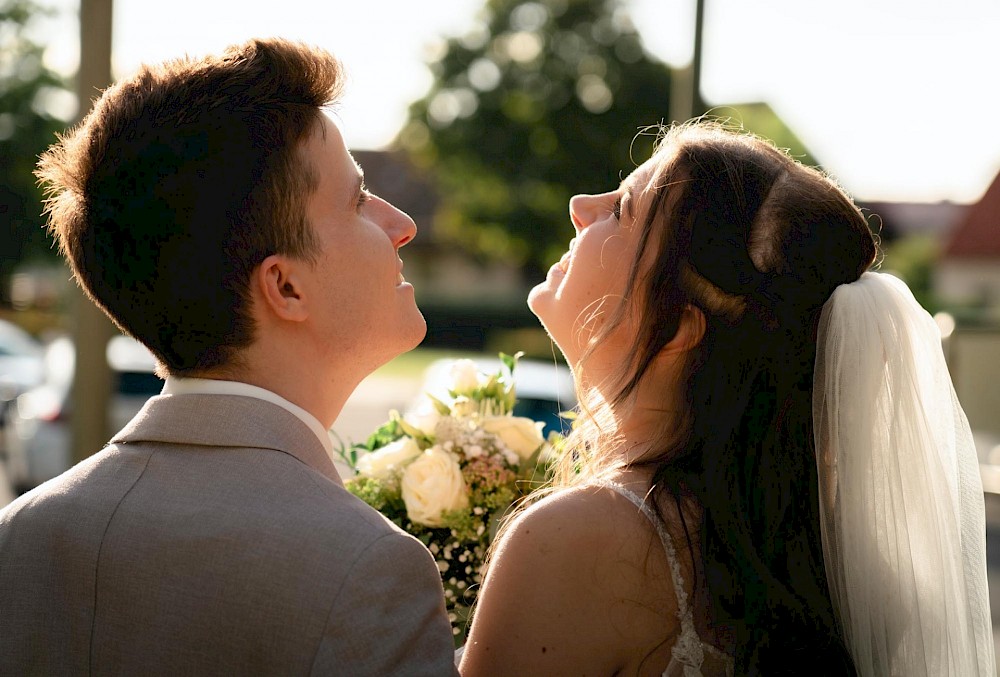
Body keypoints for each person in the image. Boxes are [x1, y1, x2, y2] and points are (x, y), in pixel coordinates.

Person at [459, 121, 995, 676]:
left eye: (623, 209)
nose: (580, 205)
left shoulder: (578, 542)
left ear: (678, 328)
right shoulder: (819, 556)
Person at [0, 38, 457, 675]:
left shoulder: (19, 537)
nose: (401, 223)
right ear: (285, 286)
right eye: (357, 200)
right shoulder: (365, 568)